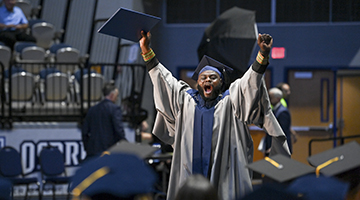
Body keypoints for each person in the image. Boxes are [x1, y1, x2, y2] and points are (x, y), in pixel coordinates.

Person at [139, 31, 291, 200]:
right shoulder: (185, 100)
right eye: (203, 78)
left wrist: (262, 55)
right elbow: (163, 80)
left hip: (223, 174)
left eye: (213, 77)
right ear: (197, 83)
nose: (208, 80)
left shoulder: (231, 102)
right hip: (189, 170)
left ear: (221, 83)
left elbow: (249, 83)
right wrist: (146, 50)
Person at [81, 82, 126, 161]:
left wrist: (87, 148)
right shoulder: (115, 109)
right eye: (117, 95)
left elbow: (85, 131)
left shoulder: (92, 109)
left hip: (93, 151)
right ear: (112, 95)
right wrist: (125, 143)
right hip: (108, 150)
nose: (117, 98)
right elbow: (118, 130)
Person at [264, 87, 292, 156]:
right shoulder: (274, 110)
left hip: (279, 149)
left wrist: (273, 147)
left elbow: (282, 132)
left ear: (278, 99)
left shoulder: (283, 112)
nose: (269, 100)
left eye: (271, 97)